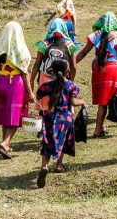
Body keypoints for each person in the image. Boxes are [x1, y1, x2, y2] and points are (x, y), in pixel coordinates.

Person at [0, 22, 35, 159]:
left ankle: (6, 144)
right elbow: (25, 73)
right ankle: (5, 142)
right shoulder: (20, 51)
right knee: (17, 117)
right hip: (15, 84)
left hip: (0, 82)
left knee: (7, 116)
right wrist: (30, 92)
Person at [75, 12, 117, 137]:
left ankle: (101, 127)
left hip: (99, 69)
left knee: (102, 102)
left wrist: (71, 65)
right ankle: (98, 130)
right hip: (113, 69)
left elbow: (83, 53)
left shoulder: (95, 35)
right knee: (111, 100)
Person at [35, 59, 85, 188]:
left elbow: (38, 95)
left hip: (50, 117)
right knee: (62, 142)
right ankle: (58, 165)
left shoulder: (48, 85)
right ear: (67, 71)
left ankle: (44, 166)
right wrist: (83, 102)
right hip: (65, 118)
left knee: (47, 142)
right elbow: (73, 102)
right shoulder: (71, 86)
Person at [31, 18, 79, 115]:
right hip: (63, 79)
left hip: (45, 79)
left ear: (50, 28)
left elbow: (37, 64)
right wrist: (70, 81)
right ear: (64, 29)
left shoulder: (44, 44)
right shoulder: (69, 45)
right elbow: (73, 66)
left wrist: (31, 80)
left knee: (45, 107)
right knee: (62, 105)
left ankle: (45, 127)